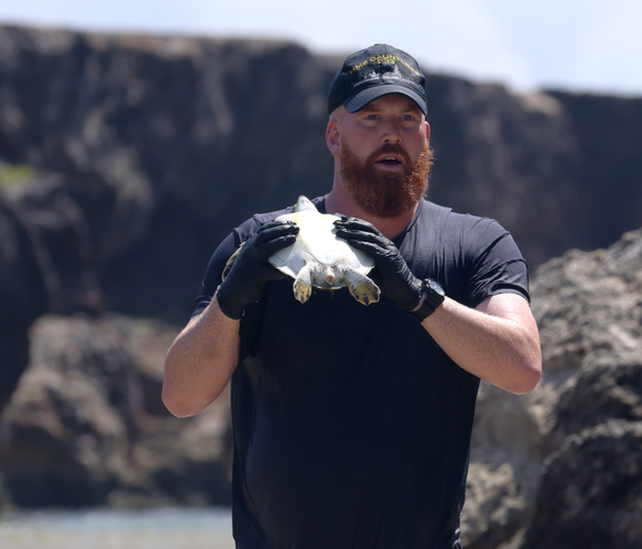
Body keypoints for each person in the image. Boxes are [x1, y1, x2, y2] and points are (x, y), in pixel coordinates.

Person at [162, 43, 542, 548]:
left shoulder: (473, 244)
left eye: (408, 118)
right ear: (334, 135)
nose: (392, 133)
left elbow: (523, 366)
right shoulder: (260, 246)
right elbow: (181, 396)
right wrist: (231, 299)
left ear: (426, 136)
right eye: (371, 117)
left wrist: (416, 296)